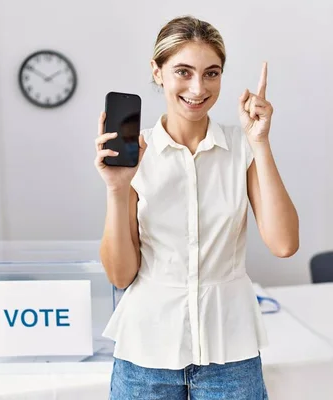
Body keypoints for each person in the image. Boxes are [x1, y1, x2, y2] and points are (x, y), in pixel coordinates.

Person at [94, 15, 299, 400]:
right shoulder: (136, 154)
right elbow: (121, 276)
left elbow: (284, 244)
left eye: (211, 73)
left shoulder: (243, 148)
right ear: (157, 72)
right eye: (183, 72)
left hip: (230, 354)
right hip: (146, 355)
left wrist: (261, 143)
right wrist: (117, 189)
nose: (197, 87)